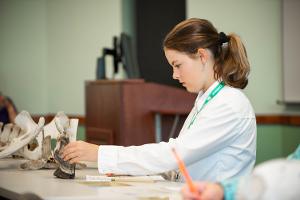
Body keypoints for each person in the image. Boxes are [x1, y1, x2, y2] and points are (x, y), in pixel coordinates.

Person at [62, 18, 256, 182]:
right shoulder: (207, 99)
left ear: (202, 56)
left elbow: (175, 154)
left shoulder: (229, 104)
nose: (174, 75)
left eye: (178, 65)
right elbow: (183, 163)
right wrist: (131, 170)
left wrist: (100, 154)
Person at [181, 144, 300, 200]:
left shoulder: (231, 103)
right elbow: (291, 167)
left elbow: (288, 179)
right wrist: (221, 191)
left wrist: (225, 191)